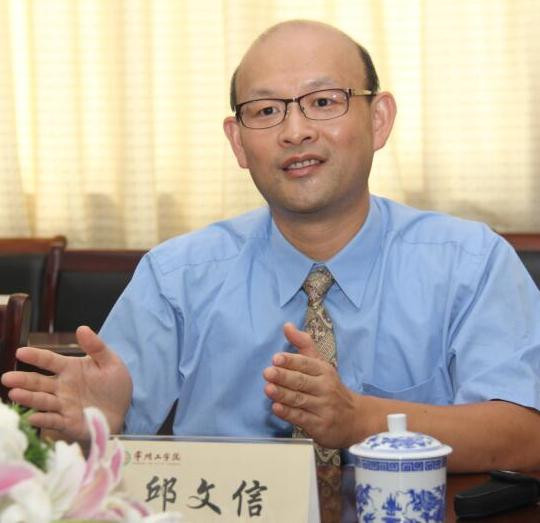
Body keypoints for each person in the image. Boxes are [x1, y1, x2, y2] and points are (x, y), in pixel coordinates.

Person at [3, 20, 540, 473]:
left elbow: (525, 434)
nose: (295, 131)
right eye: (265, 111)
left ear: (378, 120)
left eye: (323, 101)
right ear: (238, 141)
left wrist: (360, 420)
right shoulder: (176, 277)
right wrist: (94, 431)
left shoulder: (470, 262)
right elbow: (99, 442)